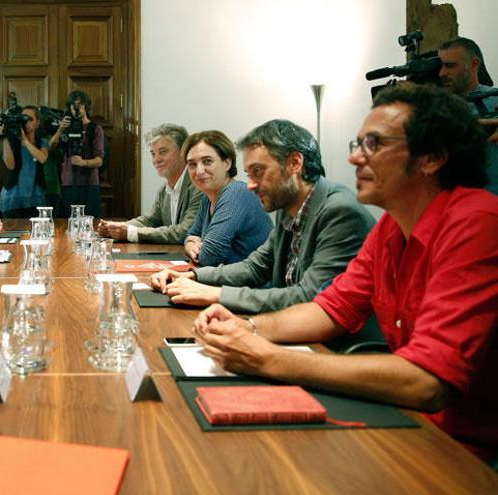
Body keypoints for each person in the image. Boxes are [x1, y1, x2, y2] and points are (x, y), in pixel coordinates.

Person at [192, 84, 498, 461]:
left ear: (432, 157)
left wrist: (268, 358)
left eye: (374, 144)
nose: (355, 159)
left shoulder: (477, 223)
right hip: (407, 422)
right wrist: (247, 329)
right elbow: (328, 308)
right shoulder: (391, 227)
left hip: (465, 451)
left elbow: (427, 382)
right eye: (357, 145)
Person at [151, 120, 374, 313]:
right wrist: (192, 276)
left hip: (341, 351)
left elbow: (308, 297)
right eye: (249, 174)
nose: (250, 185)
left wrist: (216, 294)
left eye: (259, 172)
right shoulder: (289, 210)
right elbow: (254, 267)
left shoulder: (339, 212)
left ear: (295, 163)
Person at [97, 123, 202, 244]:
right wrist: (117, 227)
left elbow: (185, 232)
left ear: (183, 153)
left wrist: (130, 232)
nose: (156, 159)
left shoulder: (198, 186)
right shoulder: (164, 190)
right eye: (153, 153)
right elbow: (150, 220)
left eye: (163, 152)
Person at [181, 130, 272, 267]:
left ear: (227, 164)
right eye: (192, 164)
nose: (199, 171)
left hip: (253, 287)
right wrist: (189, 244)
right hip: (224, 283)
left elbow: (210, 257)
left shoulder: (236, 193)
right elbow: (191, 234)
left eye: (207, 161)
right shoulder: (208, 197)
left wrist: (197, 245)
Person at [439, 37, 498, 194]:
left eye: (450, 66)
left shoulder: (494, 100)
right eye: (441, 66)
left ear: (474, 64)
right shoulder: (435, 109)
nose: (442, 73)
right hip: (452, 207)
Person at [49, 90, 105, 217]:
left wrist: (83, 162)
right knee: (68, 222)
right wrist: (60, 129)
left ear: (86, 106)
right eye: (73, 105)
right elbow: (51, 147)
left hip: (89, 183)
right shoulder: (65, 127)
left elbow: (99, 160)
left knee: (91, 222)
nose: (76, 109)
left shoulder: (94, 129)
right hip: (68, 182)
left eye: (80, 105)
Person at [0, 106, 50, 218]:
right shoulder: (12, 142)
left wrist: (25, 141)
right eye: (24, 119)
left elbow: (42, 158)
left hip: (35, 196)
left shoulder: (42, 142)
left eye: (30, 119)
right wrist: (5, 138)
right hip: (12, 195)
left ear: (38, 122)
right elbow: (10, 166)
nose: (26, 122)